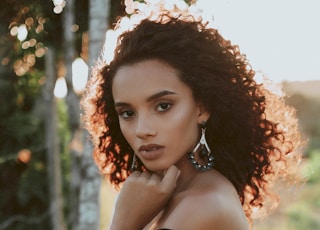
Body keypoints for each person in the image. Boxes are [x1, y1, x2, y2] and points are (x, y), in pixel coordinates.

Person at [82, 3, 303, 230]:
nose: (142, 129)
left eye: (163, 106)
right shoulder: (176, 196)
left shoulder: (204, 205)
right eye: (128, 113)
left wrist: (123, 222)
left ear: (202, 108)